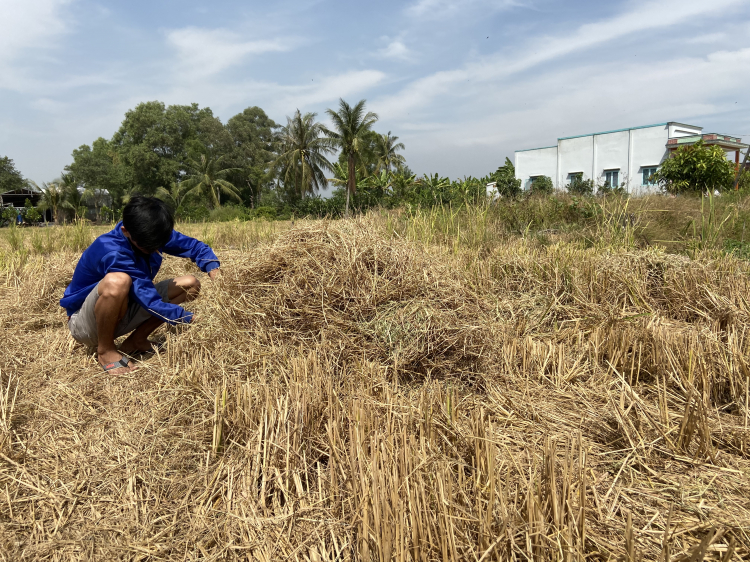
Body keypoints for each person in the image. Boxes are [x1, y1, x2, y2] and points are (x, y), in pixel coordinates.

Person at [60, 196, 220, 374]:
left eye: (158, 245)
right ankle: (105, 350)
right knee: (118, 281)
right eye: (147, 247)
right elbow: (148, 298)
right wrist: (185, 317)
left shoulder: (153, 230)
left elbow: (196, 247)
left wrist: (215, 271)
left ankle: (137, 340)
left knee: (190, 284)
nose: (154, 249)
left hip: (126, 307)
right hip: (86, 324)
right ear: (125, 231)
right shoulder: (111, 250)